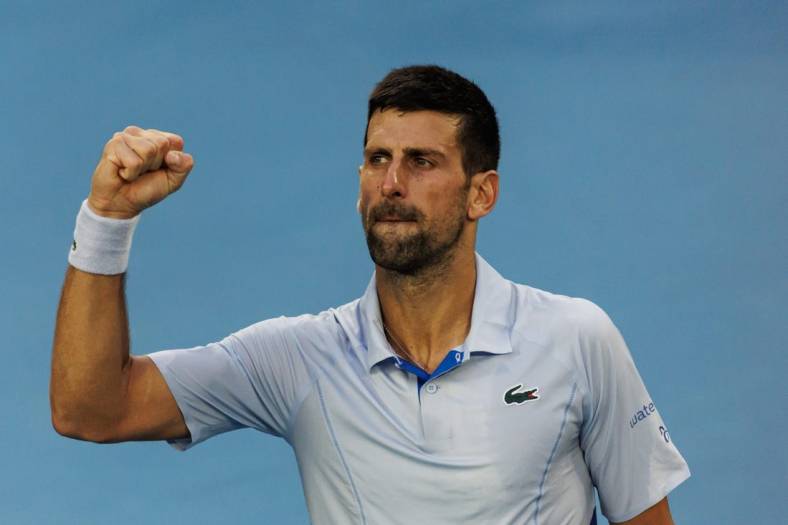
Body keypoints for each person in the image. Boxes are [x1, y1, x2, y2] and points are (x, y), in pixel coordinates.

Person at [51, 65, 690, 524]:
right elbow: (91, 409)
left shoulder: (577, 339)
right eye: (377, 158)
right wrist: (106, 220)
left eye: (422, 161)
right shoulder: (297, 359)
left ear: (481, 193)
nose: (390, 183)